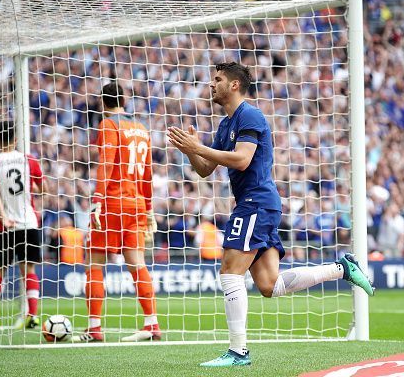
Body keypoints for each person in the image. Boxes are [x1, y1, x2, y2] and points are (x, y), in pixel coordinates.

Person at [167, 62, 374, 367]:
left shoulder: (249, 115)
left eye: (218, 79)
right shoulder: (226, 125)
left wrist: (199, 146)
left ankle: (238, 352)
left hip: (256, 203)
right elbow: (206, 170)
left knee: (229, 272)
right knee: (268, 285)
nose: (211, 84)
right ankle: (341, 269)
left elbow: (241, 160)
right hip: (257, 204)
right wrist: (191, 152)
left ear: (234, 85)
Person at [74, 82, 159, 343]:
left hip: (111, 204)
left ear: (103, 102)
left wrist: (97, 198)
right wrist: (149, 207)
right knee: (137, 264)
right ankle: (151, 324)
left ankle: (94, 328)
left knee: (95, 264)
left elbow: (106, 164)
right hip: (136, 205)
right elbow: (147, 174)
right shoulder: (142, 129)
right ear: (125, 100)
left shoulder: (108, 125)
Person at [0, 120, 45, 330]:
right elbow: (43, 189)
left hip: (6, 226)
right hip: (29, 223)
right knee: (29, 270)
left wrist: (3, 217)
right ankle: (32, 316)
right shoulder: (29, 160)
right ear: (16, 139)